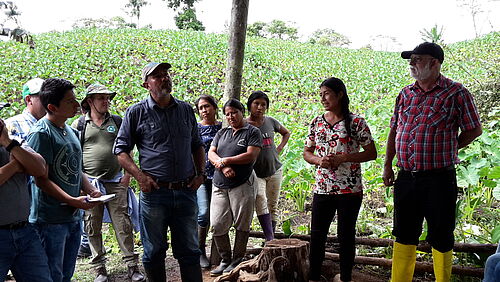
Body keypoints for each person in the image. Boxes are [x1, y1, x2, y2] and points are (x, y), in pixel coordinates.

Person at [383, 42, 482, 282]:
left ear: (434, 63)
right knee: (404, 233)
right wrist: (387, 164)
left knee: (441, 234)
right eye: (411, 60)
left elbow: (473, 129)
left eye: (417, 59)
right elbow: (394, 130)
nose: (412, 64)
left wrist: (451, 146)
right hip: (406, 176)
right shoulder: (405, 94)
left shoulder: (456, 93)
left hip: (439, 178)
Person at [114, 62, 205, 282]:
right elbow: (120, 150)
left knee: (190, 251)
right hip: (155, 193)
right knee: (154, 251)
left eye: (166, 74)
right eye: (157, 76)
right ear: (146, 84)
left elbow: (196, 144)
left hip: (185, 191)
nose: (165, 78)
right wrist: (140, 176)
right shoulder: (136, 112)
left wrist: (200, 173)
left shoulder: (185, 110)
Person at [27, 78, 103, 282]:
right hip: (49, 219)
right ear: (52, 107)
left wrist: (90, 190)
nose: (77, 105)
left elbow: (76, 168)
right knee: (52, 274)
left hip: (72, 216)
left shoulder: (70, 130)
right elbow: (40, 180)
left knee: (66, 273)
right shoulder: (41, 133)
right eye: (70, 101)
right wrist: (71, 200)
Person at [303, 77, 377, 282]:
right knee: (317, 235)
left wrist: (345, 157)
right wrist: (319, 160)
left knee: (346, 236)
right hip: (322, 188)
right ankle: (314, 277)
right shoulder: (317, 122)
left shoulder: (356, 122)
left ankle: (345, 278)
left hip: (350, 190)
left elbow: (372, 152)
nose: (323, 98)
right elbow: (306, 152)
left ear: (340, 94)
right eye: (321, 95)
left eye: (326, 93)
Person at [72, 84, 144, 282]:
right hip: (90, 184)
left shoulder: (117, 121)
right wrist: (81, 182)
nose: (106, 102)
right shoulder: (79, 124)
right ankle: (99, 268)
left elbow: (127, 148)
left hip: (115, 181)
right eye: (101, 98)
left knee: (123, 223)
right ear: (89, 101)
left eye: (107, 98)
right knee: (92, 225)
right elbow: (74, 153)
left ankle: (132, 266)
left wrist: (127, 175)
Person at [208, 98, 262, 276]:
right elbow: (211, 153)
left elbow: (250, 155)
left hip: (242, 183)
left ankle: (237, 259)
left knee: (242, 222)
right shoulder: (222, 133)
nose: (231, 116)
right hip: (219, 183)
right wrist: (223, 166)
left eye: (234, 112)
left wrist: (227, 160)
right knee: (216, 223)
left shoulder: (252, 132)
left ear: (242, 112)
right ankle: (225, 259)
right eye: (227, 114)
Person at [0, 118, 52, 282]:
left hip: (24, 232)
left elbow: (40, 168)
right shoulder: (17, 152)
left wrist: (8, 142)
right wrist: (16, 165)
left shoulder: (14, 144)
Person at [247, 91, 290, 241]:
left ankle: (269, 240)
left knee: (273, 205)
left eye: (263, 105)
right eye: (256, 104)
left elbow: (286, 133)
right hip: (255, 172)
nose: (259, 107)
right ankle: (270, 237)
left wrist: (278, 149)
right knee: (260, 200)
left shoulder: (270, 121)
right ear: (250, 105)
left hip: (275, 169)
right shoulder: (245, 125)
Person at [194, 94, 222, 268]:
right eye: (201, 108)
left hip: (221, 177)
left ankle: (219, 253)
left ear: (215, 107)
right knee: (203, 214)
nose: (204, 110)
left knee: (219, 216)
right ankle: (200, 251)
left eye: (207, 106)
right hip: (202, 177)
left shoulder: (223, 127)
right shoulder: (195, 129)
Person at [6, 78, 46, 142]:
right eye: (44, 97)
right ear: (29, 100)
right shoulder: (12, 124)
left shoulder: (55, 123)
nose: (49, 101)